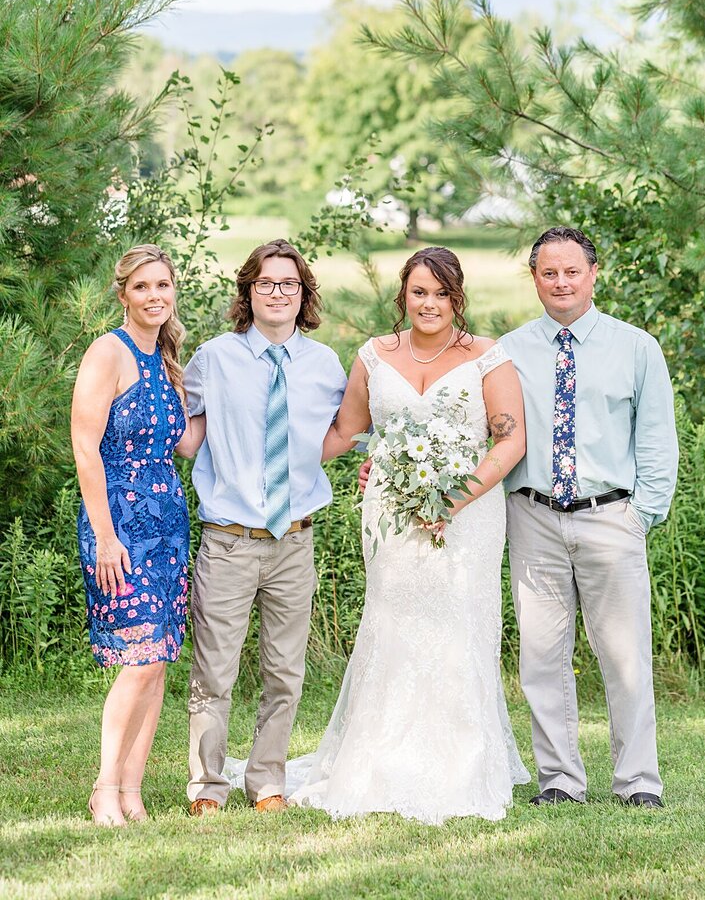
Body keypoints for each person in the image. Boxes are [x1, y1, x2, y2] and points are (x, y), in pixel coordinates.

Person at [289, 246, 530, 824]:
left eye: (442, 293)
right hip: (391, 514)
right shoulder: (373, 356)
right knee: (392, 623)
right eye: (419, 292)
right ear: (403, 295)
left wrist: (454, 496)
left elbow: (510, 442)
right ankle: (378, 754)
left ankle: (462, 760)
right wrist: (274, 468)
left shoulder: (487, 358)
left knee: (459, 622)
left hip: (468, 516)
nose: (430, 303)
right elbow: (346, 432)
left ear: (458, 299)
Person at [501, 226, 679, 809]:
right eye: (548, 273)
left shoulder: (636, 347)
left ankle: (638, 784)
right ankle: (559, 780)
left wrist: (642, 516)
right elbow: (483, 430)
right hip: (533, 516)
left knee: (626, 657)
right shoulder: (508, 351)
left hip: (611, 518)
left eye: (571, 271)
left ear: (593, 274)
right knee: (542, 656)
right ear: (534, 280)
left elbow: (656, 439)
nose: (561, 283)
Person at [184, 239, 347, 816]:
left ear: (303, 294)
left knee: (284, 671)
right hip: (229, 540)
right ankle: (207, 785)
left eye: (289, 284)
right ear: (248, 292)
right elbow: (183, 431)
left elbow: (348, 432)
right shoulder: (214, 358)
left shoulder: (325, 365)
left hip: (293, 541)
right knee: (216, 668)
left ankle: (267, 781)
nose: (277, 293)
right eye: (266, 283)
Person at [73, 244, 206, 826]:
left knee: (158, 662)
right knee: (141, 656)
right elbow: (84, 445)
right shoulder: (110, 352)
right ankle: (104, 787)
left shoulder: (167, 357)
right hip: (119, 525)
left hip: (168, 524)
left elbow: (184, 443)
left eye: (164, 286)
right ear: (123, 294)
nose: (156, 296)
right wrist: (104, 534)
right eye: (143, 286)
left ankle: (132, 791)